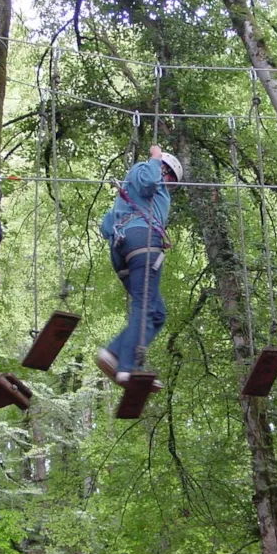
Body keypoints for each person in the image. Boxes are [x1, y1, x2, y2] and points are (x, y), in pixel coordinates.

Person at [96, 145, 182, 388]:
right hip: (142, 241)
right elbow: (146, 182)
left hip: (123, 247)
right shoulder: (146, 170)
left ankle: (114, 353)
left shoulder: (139, 195)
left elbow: (105, 226)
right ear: (164, 169)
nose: (168, 187)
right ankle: (127, 367)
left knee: (156, 313)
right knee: (145, 305)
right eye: (169, 180)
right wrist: (155, 159)